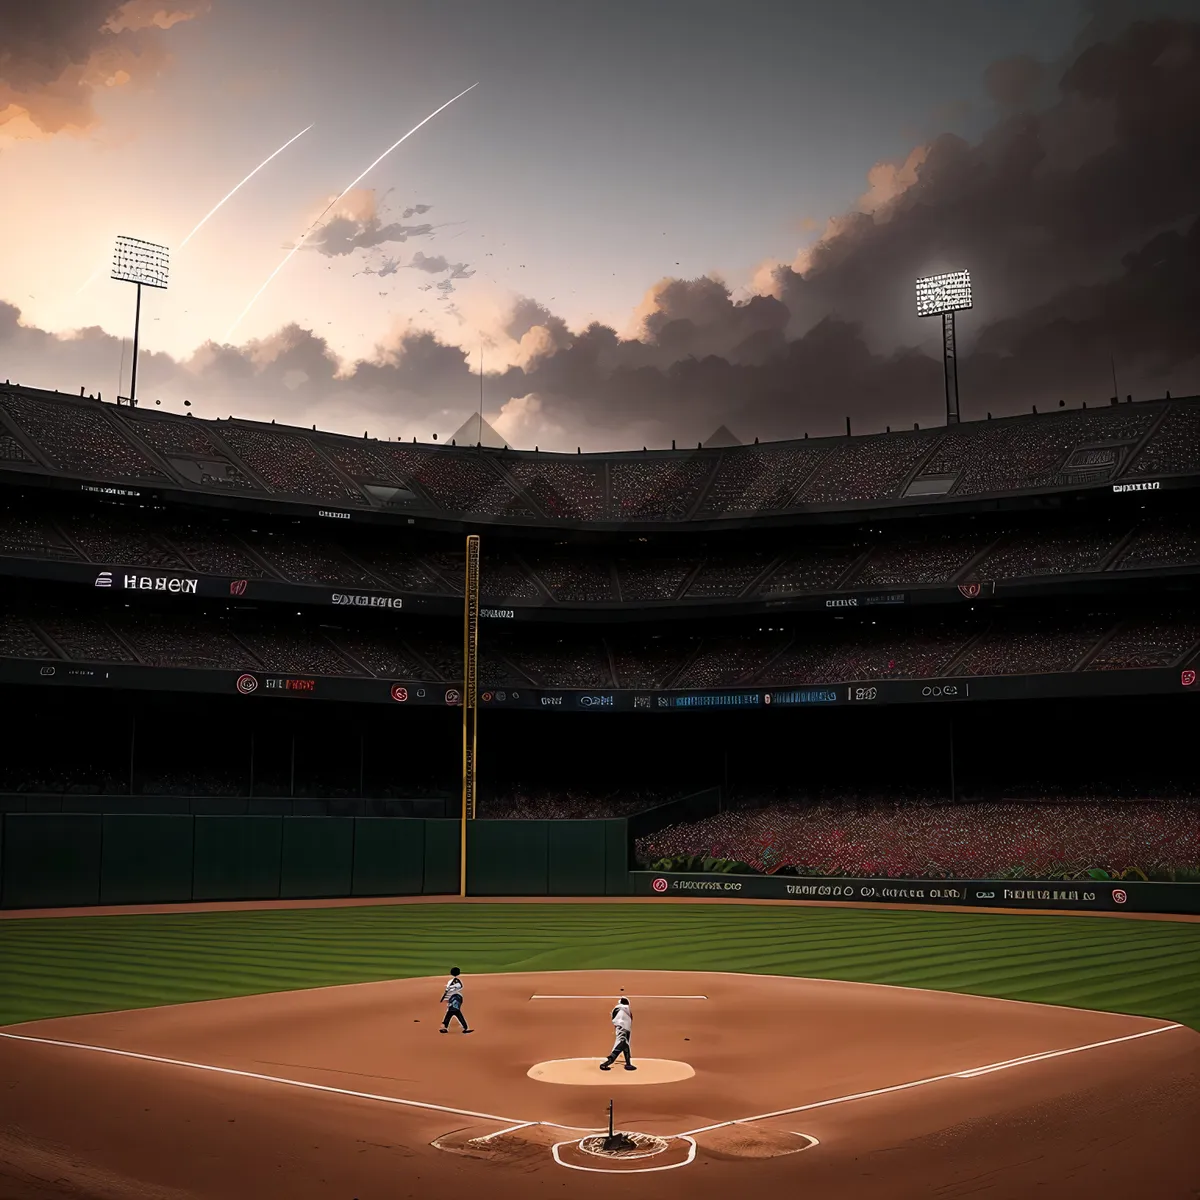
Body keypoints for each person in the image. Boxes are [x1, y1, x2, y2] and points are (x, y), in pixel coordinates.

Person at [600, 997, 635, 1070]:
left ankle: (628, 1064)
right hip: (624, 1028)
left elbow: (613, 1017)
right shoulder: (625, 1007)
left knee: (626, 1045)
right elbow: (631, 1017)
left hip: (621, 1027)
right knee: (623, 1043)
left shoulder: (617, 1008)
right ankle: (607, 1062)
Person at [439, 967, 471, 1033]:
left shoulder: (451, 982)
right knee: (453, 1012)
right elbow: (460, 986)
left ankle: (444, 1026)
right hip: (456, 998)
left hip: (455, 998)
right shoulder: (456, 981)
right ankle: (465, 1027)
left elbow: (456, 987)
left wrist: (451, 988)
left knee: (453, 1011)